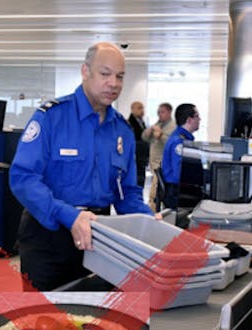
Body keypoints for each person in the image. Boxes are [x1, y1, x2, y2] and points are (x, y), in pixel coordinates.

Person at [9, 42, 155, 291]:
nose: (114, 83)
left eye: (120, 76)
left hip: (99, 239)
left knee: (94, 322)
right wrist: (70, 216)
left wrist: (150, 221)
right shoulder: (51, 117)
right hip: (48, 237)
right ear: (85, 71)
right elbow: (23, 179)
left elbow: (126, 193)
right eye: (105, 73)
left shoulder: (122, 130)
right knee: (44, 322)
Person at [161, 104, 200, 210]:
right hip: (176, 192)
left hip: (178, 189)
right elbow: (179, 173)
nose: (199, 119)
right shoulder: (179, 142)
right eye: (197, 116)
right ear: (189, 120)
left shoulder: (183, 139)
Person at [142, 102, 176, 210]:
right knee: (156, 188)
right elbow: (145, 138)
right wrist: (148, 132)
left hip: (162, 163)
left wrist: (161, 135)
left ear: (169, 112)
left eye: (162, 112)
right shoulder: (158, 124)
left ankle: (151, 211)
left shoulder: (173, 127)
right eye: (158, 112)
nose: (160, 115)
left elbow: (172, 144)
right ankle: (154, 209)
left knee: (154, 190)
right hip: (153, 161)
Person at [127, 101, 149, 186]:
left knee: (141, 179)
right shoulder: (129, 123)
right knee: (137, 179)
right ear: (132, 109)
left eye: (143, 108)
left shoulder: (142, 122)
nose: (142, 110)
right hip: (136, 156)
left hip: (142, 156)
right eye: (139, 108)